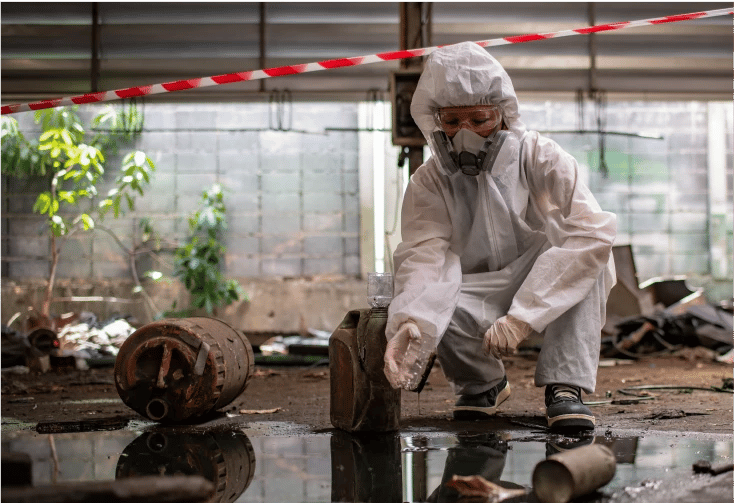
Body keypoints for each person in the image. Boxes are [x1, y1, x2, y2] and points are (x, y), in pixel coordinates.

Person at [383, 41, 616, 432]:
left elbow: (592, 231)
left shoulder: (539, 156)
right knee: (438, 298)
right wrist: (412, 320)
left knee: (590, 264)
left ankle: (565, 386)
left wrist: (524, 316)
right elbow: (425, 255)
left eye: (479, 119)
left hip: (541, 271)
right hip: (479, 282)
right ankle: (483, 383)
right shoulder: (430, 180)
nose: (465, 135)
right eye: (452, 122)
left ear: (504, 115)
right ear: (435, 121)